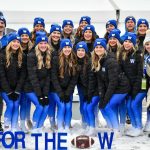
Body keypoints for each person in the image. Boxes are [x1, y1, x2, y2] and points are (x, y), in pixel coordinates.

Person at [119, 32, 146, 137]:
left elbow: (140, 74)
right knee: (129, 106)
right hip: (130, 88)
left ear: (134, 43)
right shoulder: (123, 55)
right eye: (125, 41)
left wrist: (135, 89)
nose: (127, 43)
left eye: (130, 42)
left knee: (134, 105)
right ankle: (135, 126)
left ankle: (139, 127)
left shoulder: (138, 55)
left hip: (140, 87)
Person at [24, 35, 51, 132]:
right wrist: (40, 95)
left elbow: (48, 77)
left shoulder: (48, 56)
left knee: (46, 105)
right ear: (37, 44)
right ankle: (35, 128)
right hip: (30, 87)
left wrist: (45, 95)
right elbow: (33, 77)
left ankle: (40, 126)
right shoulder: (31, 56)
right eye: (41, 43)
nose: (43, 45)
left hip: (42, 87)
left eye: (45, 43)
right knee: (40, 105)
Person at [0, 33, 26, 132]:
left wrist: (17, 90)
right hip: (5, 88)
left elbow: (23, 75)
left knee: (16, 105)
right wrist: (9, 91)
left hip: (16, 89)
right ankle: (6, 126)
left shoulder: (22, 56)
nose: (16, 44)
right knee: (11, 104)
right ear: (9, 43)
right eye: (14, 41)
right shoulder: (2, 55)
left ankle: (14, 127)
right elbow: (1, 75)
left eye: (18, 42)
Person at [107, 29, 130, 135]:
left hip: (122, 83)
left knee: (122, 104)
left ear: (118, 40)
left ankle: (121, 125)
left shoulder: (122, 51)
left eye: (114, 39)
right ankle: (115, 123)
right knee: (114, 104)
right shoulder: (106, 51)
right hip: (111, 83)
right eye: (110, 38)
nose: (112, 40)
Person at [51, 39, 77, 132]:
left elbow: (74, 79)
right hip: (56, 89)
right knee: (62, 106)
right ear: (61, 49)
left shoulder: (74, 60)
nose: (67, 49)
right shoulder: (55, 59)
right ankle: (60, 126)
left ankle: (66, 126)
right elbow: (53, 77)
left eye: (69, 47)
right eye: (65, 47)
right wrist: (60, 93)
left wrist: (67, 92)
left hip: (67, 90)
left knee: (68, 106)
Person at [18, 27, 33, 131]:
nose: (24, 37)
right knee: (22, 102)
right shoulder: (15, 47)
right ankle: (21, 123)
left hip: (29, 80)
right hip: (18, 80)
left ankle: (28, 119)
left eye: (26, 35)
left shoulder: (32, 48)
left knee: (27, 102)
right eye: (22, 35)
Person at [75, 41, 90, 128]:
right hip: (80, 87)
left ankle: (91, 123)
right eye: (79, 50)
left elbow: (91, 80)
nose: (80, 52)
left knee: (88, 106)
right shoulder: (74, 61)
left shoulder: (89, 62)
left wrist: (89, 91)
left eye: (83, 50)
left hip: (89, 88)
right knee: (82, 105)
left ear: (86, 51)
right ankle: (84, 122)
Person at [143, 29, 150, 133]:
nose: (149, 46)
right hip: (146, 83)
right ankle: (148, 122)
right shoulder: (145, 56)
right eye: (147, 44)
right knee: (149, 105)